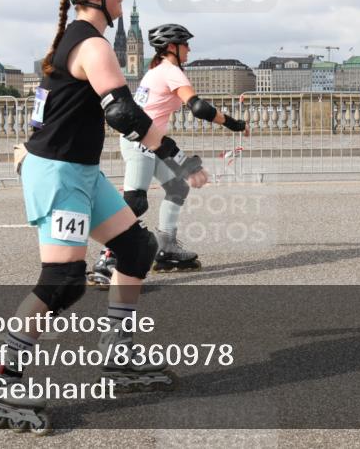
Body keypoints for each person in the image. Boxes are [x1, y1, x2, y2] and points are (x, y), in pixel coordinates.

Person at [0, 0, 208, 432]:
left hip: (78, 172)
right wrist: (178, 159)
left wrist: (29, 149)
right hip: (61, 177)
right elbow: (124, 115)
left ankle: (118, 352)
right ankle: (0, 375)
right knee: (63, 281)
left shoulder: (76, 39)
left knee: (137, 248)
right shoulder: (92, 44)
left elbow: (50, 111)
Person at [88, 23, 249, 286]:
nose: (189, 49)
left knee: (177, 188)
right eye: (185, 44)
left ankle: (166, 248)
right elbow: (198, 107)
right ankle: (107, 257)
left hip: (150, 142)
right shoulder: (170, 71)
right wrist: (234, 124)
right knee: (135, 201)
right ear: (172, 47)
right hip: (141, 142)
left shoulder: (156, 70)